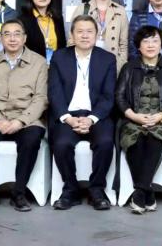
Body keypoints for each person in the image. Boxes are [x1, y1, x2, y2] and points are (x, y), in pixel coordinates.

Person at [0, 19, 48, 212]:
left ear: (25, 38)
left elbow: (41, 98)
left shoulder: (39, 62)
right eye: (7, 34)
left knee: (32, 139)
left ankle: (19, 193)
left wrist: (20, 121)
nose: (12, 39)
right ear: (0, 38)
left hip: (27, 119)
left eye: (17, 34)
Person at [48, 16, 117, 211]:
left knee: (105, 142)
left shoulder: (107, 59)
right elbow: (54, 92)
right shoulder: (60, 57)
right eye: (79, 31)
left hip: (96, 115)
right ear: (72, 35)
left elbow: (108, 95)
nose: (84, 36)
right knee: (61, 144)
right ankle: (70, 190)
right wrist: (68, 118)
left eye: (89, 31)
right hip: (68, 114)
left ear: (97, 35)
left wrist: (91, 119)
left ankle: (97, 190)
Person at [116, 26, 162, 214]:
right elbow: (119, 97)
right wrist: (135, 116)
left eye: (155, 41)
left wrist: (161, 116)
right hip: (133, 119)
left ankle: (140, 192)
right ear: (139, 46)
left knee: (153, 140)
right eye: (146, 41)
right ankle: (148, 192)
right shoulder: (129, 67)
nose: (150, 45)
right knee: (134, 141)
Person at [69, 0, 128, 72]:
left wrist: (118, 68)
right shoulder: (82, 9)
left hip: (112, 66)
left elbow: (123, 45)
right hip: (85, 66)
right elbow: (72, 41)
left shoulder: (120, 11)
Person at [19, 0, 66, 64]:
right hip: (33, 68)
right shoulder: (22, 21)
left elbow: (62, 47)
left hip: (56, 67)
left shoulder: (58, 18)